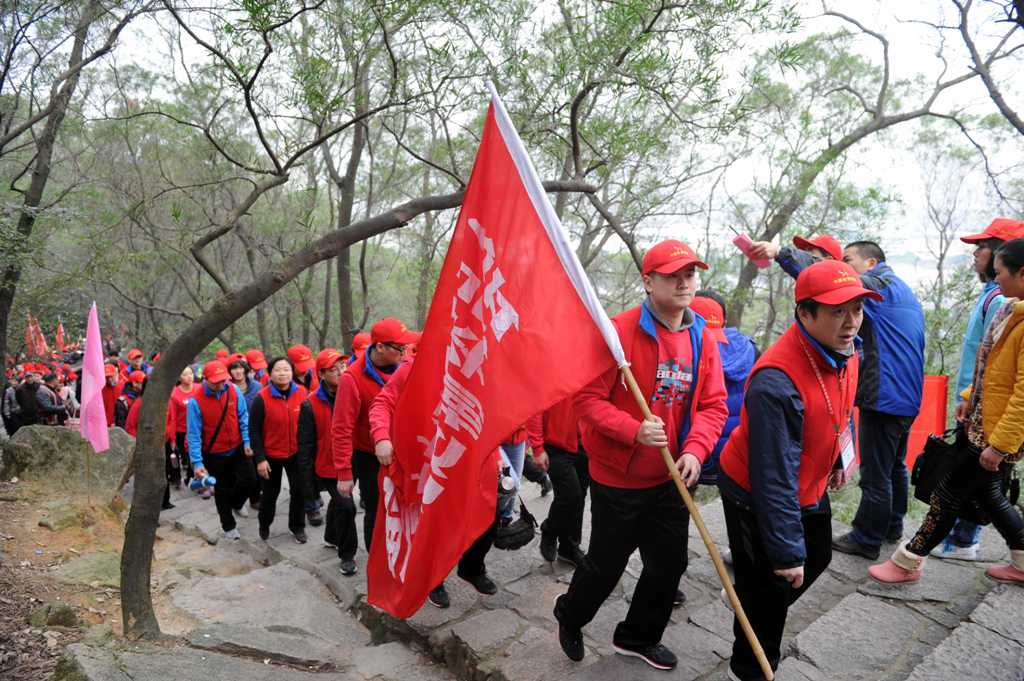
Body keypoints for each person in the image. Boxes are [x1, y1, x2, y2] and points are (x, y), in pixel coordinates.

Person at [554, 239, 729, 671]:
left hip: (673, 475)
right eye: (673, 275)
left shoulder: (701, 336)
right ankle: (571, 613)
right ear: (648, 281)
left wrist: (695, 448)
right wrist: (633, 430)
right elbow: (587, 400)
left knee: (669, 565)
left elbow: (714, 405)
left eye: (690, 274)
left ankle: (637, 636)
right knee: (606, 565)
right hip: (620, 477)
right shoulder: (615, 332)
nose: (684, 282)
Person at [718, 260, 877, 681]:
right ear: (804, 314)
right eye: (837, 311)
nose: (850, 323)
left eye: (857, 310)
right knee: (774, 584)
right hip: (755, 491)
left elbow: (842, 409)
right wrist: (787, 554)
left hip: (807, 480)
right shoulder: (776, 382)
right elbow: (772, 479)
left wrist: (843, 458)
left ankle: (751, 602)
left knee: (818, 555)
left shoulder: (846, 349)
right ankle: (750, 666)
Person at [750, 238, 926, 559]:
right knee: (895, 466)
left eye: (848, 259)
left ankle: (867, 537)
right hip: (909, 393)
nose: (843, 265)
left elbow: (824, 279)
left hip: (883, 394)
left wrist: (779, 253)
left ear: (870, 263)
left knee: (875, 474)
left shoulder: (879, 284)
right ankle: (891, 526)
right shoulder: (902, 291)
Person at [868, 238, 1024, 585]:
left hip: (995, 433)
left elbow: (1022, 396)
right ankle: (1022, 560)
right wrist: (970, 395)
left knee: (947, 493)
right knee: (991, 495)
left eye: (1000, 273)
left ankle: (908, 561)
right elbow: (996, 372)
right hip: (986, 424)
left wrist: (999, 445)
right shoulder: (1012, 311)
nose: (996, 280)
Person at [368, 353, 499, 609]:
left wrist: (495, 453)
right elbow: (381, 404)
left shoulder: (474, 364)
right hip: (425, 459)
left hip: (463, 457)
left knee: (485, 516)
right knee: (431, 522)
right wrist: (382, 437)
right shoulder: (412, 369)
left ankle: (472, 568)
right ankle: (432, 580)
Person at [932, 218, 1024, 560]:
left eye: (981, 247)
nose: (974, 255)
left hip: (991, 419)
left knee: (967, 484)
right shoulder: (994, 295)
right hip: (977, 407)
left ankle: (957, 542)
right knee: (983, 488)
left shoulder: (1005, 303)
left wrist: (997, 438)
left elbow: (1011, 380)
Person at [333, 317, 416, 557]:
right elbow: (341, 428)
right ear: (380, 347)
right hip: (370, 456)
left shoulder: (407, 365)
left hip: (405, 452)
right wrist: (344, 473)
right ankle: (378, 563)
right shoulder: (352, 378)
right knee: (377, 511)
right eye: (399, 348)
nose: (404, 352)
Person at [689, 291, 759, 485]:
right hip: (736, 452)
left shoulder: (685, 348)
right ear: (724, 320)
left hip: (693, 452)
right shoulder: (750, 349)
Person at [298, 349, 357, 574]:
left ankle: (331, 536)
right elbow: (305, 447)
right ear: (321, 374)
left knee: (341, 503)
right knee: (347, 506)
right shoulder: (309, 405)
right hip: (328, 466)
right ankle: (347, 554)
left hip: (354, 460)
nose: (342, 372)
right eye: (334, 369)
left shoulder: (353, 392)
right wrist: (308, 486)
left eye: (343, 366)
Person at [187, 360, 256, 541]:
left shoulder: (232, 390)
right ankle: (229, 526)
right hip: (214, 453)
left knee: (250, 479)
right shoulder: (196, 400)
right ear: (205, 379)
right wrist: (197, 462)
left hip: (238, 447)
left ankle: (237, 503)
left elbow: (243, 416)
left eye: (223, 380)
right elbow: (193, 434)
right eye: (216, 381)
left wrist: (248, 441)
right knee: (222, 490)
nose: (221, 384)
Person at [249, 356, 310, 543]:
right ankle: (264, 524)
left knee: (299, 490)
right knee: (270, 493)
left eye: (286, 370)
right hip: (271, 455)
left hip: (296, 453)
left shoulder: (302, 392)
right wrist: (260, 459)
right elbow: (254, 431)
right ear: (270, 373)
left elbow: (309, 423)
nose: (282, 373)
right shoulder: (261, 398)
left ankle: (297, 526)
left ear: (292, 372)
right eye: (278, 370)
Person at [533, 397, 588, 568]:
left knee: (579, 498)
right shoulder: (548, 371)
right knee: (571, 496)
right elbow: (535, 407)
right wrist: (537, 447)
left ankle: (569, 548)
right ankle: (549, 530)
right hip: (556, 446)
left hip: (585, 444)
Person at [168, 366, 198, 490]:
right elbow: (172, 417)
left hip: (196, 429)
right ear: (179, 377)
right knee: (179, 456)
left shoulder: (199, 388)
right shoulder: (174, 393)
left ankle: (192, 477)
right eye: (185, 374)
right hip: (181, 431)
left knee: (195, 456)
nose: (189, 376)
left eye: (191, 373)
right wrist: (173, 438)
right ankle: (177, 479)